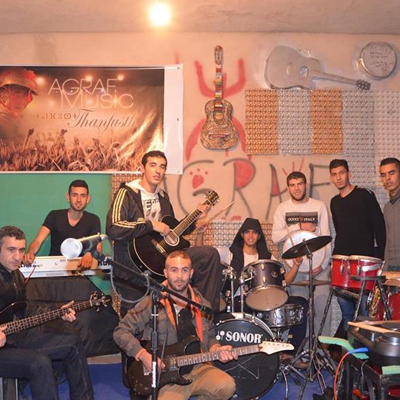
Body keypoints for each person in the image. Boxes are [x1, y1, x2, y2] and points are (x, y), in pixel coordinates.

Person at [106, 150, 223, 315]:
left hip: (159, 264)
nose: (158, 171)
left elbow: (172, 233)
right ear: (142, 168)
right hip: (133, 269)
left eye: (162, 167)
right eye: (153, 165)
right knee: (134, 322)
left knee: (208, 255)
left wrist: (194, 222)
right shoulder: (127, 193)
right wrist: (151, 225)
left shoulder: (163, 198)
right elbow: (114, 227)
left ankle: (204, 313)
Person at [113, 250, 236, 400]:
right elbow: (120, 331)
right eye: (174, 270)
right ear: (165, 273)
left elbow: (210, 336)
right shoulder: (152, 302)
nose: (179, 276)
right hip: (166, 377)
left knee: (227, 386)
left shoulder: (202, 304)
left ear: (191, 273)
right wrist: (143, 355)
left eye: (184, 270)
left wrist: (216, 348)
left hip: (198, 368)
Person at [197, 217, 308, 368]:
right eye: (247, 232)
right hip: (240, 303)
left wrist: (295, 266)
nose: (250, 235)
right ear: (242, 234)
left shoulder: (267, 257)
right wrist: (200, 234)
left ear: (259, 236)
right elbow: (202, 255)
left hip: (266, 302)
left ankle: (289, 355)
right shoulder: (229, 254)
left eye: (254, 232)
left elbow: (284, 281)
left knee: (301, 304)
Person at [0, 225, 94, 400]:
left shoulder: (16, 276)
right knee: (40, 363)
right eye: (11, 250)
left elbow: (25, 310)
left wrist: (57, 312)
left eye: (21, 250)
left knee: (72, 344)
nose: (18, 257)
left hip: (16, 338)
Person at [272, 171, 332, 337]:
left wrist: (323, 265)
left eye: (299, 184)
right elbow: (275, 237)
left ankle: (321, 349)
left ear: (305, 185)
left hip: (319, 267)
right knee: (299, 312)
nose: (296, 188)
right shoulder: (282, 208)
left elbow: (327, 238)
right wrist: (298, 226)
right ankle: (302, 349)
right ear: (288, 188)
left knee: (323, 309)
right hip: (294, 269)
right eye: (292, 185)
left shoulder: (319, 206)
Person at [329, 159, 386, 330]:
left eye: (342, 173)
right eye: (334, 174)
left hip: (364, 264)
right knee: (347, 313)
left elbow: (379, 227)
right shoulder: (334, 202)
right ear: (331, 178)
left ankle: (363, 347)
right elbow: (340, 231)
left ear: (349, 174)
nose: (339, 177)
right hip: (343, 267)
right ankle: (350, 347)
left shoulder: (364, 195)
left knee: (364, 312)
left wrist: (380, 259)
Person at [24, 179, 101, 269]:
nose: (79, 200)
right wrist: (31, 252)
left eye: (83, 196)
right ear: (68, 197)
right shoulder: (54, 216)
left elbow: (98, 248)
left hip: (80, 271)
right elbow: (38, 240)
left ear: (88, 199)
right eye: (75, 195)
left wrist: (90, 254)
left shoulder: (94, 220)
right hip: (53, 270)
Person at [0, 67, 38, 145]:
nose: (21, 100)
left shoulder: (20, 119)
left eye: (25, 94)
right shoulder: (2, 120)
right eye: (17, 92)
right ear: (3, 93)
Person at [380, 157, 400, 271]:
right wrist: (386, 267)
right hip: (392, 267)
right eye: (383, 175)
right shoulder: (387, 208)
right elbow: (388, 241)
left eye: (391, 173)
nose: (387, 178)